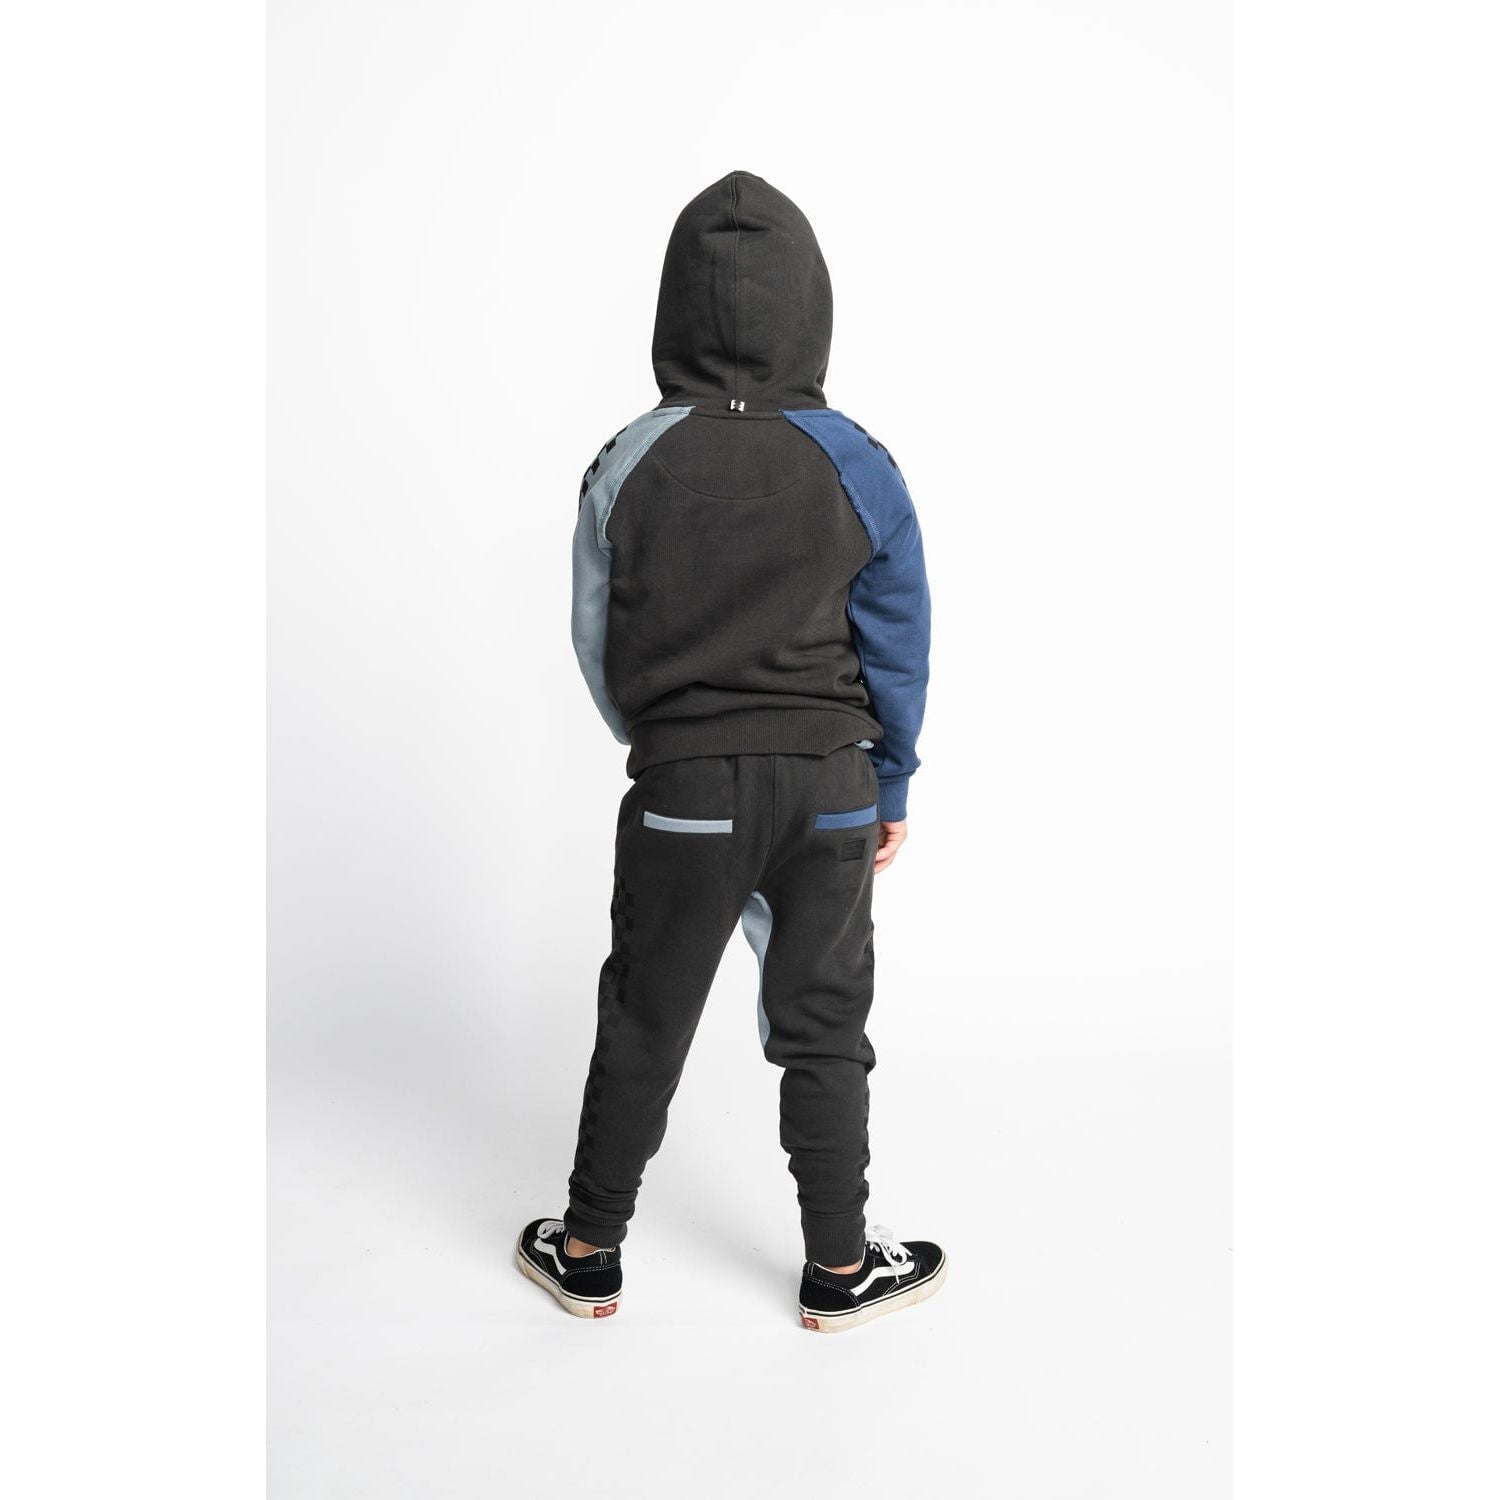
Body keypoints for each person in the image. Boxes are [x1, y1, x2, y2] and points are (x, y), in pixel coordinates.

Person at [515, 170, 943, 1333]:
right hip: (832, 789)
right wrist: (890, 778)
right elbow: (897, 639)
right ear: (813, 306)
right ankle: (840, 1269)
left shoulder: (630, 457)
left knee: (646, 1017)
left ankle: (588, 1250)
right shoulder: (857, 459)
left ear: (673, 310)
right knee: (824, 1026)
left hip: (685, 791)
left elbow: (596, 634)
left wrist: (669, 745)